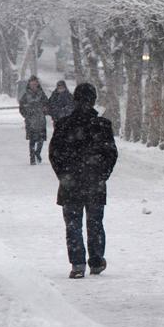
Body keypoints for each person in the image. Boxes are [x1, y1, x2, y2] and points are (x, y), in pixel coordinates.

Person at [49, 83, 118, 279]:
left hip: (71, 183)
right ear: (94, 99)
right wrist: (101, 175)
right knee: (95, 223)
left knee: (73, 224)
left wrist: (64, 175)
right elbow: (111, 154)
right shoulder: (102, 125)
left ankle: (77, 263)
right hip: (94, 182)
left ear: (74, 99)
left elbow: (54, 153)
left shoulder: (64, 125)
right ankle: (96, 260)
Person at [19, 75, 49, 165]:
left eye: (35, 84)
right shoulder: (26, 95)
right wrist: (26, 115)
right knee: (32, 140)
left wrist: (45, 109)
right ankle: (32, 157)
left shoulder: (42, 94)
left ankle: (37, 153)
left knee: (41, 139)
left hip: (40, 119)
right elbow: (21, 106)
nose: (34, 86)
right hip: (30, 121)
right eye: (32, 84)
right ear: (29, 84)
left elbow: (47, 104)